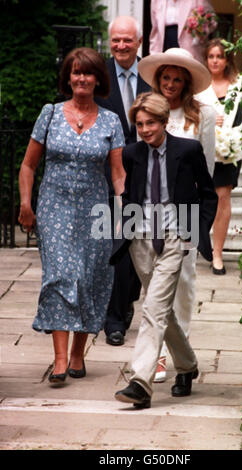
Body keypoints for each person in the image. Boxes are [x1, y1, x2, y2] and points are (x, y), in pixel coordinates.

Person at [18, 47, 125, 384]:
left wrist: (125, 210)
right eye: (75, 72)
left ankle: (79, 353)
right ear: (68, 78)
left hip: (94, 209)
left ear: (98, 80)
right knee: (62, 276)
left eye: (88, 73)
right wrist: (25, 204)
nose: (81, 78)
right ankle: (60, 360)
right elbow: (28, 164)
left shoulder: (111, 121)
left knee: (90, 278)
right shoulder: (49, 113)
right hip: (54, 208)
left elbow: (118, 173)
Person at [113, 92, 217, 409]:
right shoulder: (131, 154)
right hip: (141, 239)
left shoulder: (187, 150)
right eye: (140, 124)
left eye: (151, 124)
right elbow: (131, 195)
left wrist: (195, 232)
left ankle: (140, 382)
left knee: (152, 309)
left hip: (174, 236)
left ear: (163, 121)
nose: (145, 130)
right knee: (162, 311)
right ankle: (187, 366)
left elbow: (209, 194)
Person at [138, 47, 216, 382]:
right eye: (166, 77)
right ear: (159, 79)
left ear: (186, 83)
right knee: (151, 287)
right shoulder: (147, 109)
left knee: (182, 285)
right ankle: (155, 356)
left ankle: (177, 358)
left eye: (177, 79)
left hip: (183, 215)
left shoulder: (203, 116)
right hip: (147, 213)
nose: (170, 84)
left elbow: (207, 171)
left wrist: (199, 223)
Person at [95, 16, 151, 347]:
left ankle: (127, 300)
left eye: (127, 40)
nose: (121, 46)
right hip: (106, 175)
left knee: (136, 248)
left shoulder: (151, 75)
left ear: (138, 42)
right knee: (116, 244)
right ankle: (113, 320)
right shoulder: (98, 76)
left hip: (146, 178)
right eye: (115, 40)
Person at [196, 38, 242, 274]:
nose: (216, 61)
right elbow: (188, 113)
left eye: (220, 56)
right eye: (211, 56)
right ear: (206, 59)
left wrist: (238, 137)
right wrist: (206, 117)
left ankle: (217, 254)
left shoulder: (239, 84)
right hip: (203, 150)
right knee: (203, 198)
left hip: (231, 150)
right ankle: (200, 239)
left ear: (227, 59)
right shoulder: (199, 85)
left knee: (223, 198)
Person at [149, 0, 216, 63]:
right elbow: (155, 30)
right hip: (164, 46)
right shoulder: (156, 1)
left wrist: (201, 31)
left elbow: (212, 20)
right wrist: (153, 52)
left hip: (190, 49)